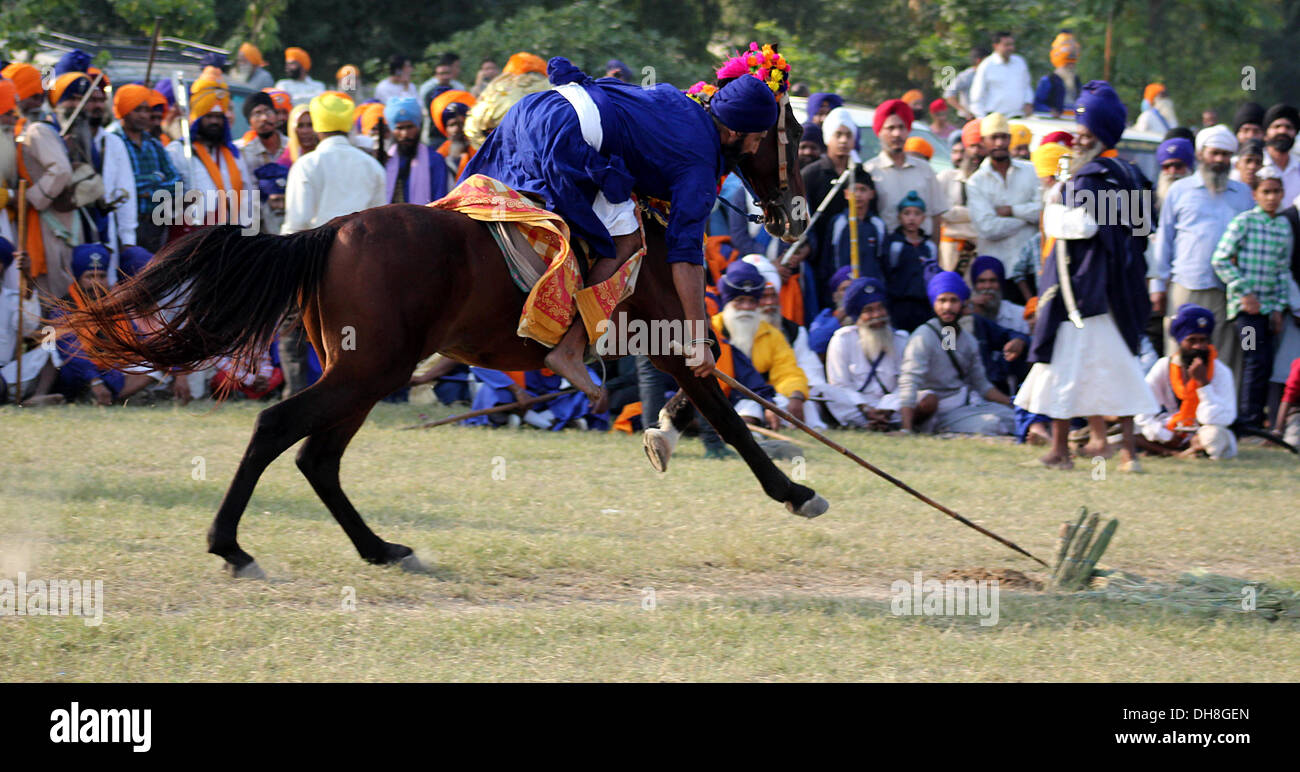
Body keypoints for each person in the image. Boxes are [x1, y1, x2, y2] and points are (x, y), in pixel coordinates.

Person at [462, 52, 789, 405]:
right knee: (629, 241)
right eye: (757, 138)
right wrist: (697, 340)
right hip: (567, 132)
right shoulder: (699, 166)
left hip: (531, 109)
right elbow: (686, 256)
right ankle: (570, 349)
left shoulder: (676, 98)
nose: (756, 148)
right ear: (735, 131)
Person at [1016, 81, 1158, 471]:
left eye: (1085, 130)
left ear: (1101, 133)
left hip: (1083, 294)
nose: (1078, 138)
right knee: (1116, 367)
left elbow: (1083, 228)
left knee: (1070, 367)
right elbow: (1144, 230)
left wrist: (1052, 213)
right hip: (1119, 292)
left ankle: (1065, 451)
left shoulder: (1090, 177)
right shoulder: (1131, 174)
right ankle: (1124, 451)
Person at [1151, 124, 1253, 375]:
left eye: (1226, 154)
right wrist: (1157, 287)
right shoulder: (1180, 190)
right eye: (1215, 153)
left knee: (1223, 360)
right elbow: (1164, 239)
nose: (1220, 160)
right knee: (1179, 356)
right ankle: (1179, 412)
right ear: (1200, 154)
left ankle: (1218, 414)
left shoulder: (1242, 194)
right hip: (1186, 286)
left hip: (1227, 291)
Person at [1211, 167, 1293, 429]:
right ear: (1255, 194)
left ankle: (1256, 419)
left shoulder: (1283, 226)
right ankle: (1247, 420)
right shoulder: (1244, 222)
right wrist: (1244, 291)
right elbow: (1220, 259)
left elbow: (1282, 269)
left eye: (1276, 191)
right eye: (1266, 191)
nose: (1272, 197)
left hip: (1269, 310)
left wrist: (1279, 307)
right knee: (1252, 360)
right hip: (1247, 311)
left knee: (1265, 363)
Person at [897, 271, 1016, 434]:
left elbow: (982, 385)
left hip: (962, 405)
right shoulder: (923, 335)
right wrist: (906, 429)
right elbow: (910, 380)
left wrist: (1012, 403)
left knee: (1012, 417)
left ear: (963, 303)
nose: (947, 307)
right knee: (992, 424)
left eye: (953, 300)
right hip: (932, 407)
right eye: (942, 301)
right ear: (933, 304)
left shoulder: (966, 339)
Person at [711, 261, 812, 429]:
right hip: (720, 396)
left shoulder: (771, 334)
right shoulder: (713, 330)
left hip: (759, 397)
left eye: (752, 301)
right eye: (740, 300)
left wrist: (796, 395)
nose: (746, 308)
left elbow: (787, 371)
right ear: (727, 302)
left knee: (795, 404)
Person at [1136, 304, 1238, 459]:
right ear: (1179, 342)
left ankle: (1181, 450)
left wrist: (1204, 384)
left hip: (1200, 433)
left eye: (1203, 340)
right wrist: (1165, 436)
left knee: (1215, 435)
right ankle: (1173, 452)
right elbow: (1142, 408)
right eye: (1192, 340)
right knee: (1131, 427)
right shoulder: (1164, 366)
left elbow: (1223, 419)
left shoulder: (1221, 371)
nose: (1198, 346)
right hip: (1169, 429)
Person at [281, 92, 385, 235]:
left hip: (317, 252)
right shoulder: (372, 166)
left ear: (317, 128)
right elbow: (379, 221)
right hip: (362, 251)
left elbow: (298, 221)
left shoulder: (306, 164)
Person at [165, 79, 255, 231]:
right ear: (198, 119)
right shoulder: (178, 151)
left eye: (219, 117)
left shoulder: (234, 154)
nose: (215, 121)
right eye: (209, 116)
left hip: (231, 233)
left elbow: (248, 195)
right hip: (193, 233)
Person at [824, 277, 911, 428]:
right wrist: (864, 407)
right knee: (825, 391)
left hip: (893, 407)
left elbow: (905, 383)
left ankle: (884, 421)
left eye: (880, 308)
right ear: (858, 316)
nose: (877, 315)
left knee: (925, 396)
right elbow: (840, 384)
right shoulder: (842, 339)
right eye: (869, 310)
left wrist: (888, 408)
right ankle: (866, 423)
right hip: (856, 408)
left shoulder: (901, 339)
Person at [108, 84, 181, 253]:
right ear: (124, 110)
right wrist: (156, 178)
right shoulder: (112, 140)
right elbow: (123, 185)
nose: (143, 115)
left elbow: (176, 182)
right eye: (137, 109)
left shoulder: (154, 143)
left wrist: (150, 191)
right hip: (124, 223)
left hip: (155, 224)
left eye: (146, 110)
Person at [965, 112, 1041, 267]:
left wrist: (1012, 210)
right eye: (993, 138)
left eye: (1003, 137)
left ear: (1010, 139)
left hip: (1029, 265)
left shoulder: (1031, 171)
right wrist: (1025, 220)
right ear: (983, 142)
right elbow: (988, 228)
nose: (999, 143)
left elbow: (1042, 212)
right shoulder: (976, 181)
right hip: (994, 268)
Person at [864, 99, 947, 238]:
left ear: (908, 131)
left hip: (921, 252)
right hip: (885, 252)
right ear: (879, 132)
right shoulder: (870, 171)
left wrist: (934, 254)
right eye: (890, 128)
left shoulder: (925, 169)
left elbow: (936, 216)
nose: (897, 133)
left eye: (901, 127)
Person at [463, 52, 550, 149]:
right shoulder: (548, 85)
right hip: (538, 145)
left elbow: (473, 126)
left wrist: (489, 150)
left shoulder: (495, 86)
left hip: (500, 146)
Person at [882, 190, 939, 331]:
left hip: (923, 305)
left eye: (917, 214)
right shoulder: (894, 244)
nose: (911, 218)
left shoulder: (929, 246)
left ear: (923, 218)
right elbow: (887, 271)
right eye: (906, 213)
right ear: (899, 217)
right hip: (898, 304)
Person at [236, 91, 290, 235]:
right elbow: (248, 194)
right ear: (249, 122)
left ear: (276, 115)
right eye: (257, 114)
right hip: (262, 229)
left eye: (268, 112)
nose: (264, 118)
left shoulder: (292, 147)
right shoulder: (244, 153)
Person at [382, 96, 447, 205]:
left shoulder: (434, 160)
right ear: (392, 130)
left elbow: (440, 199)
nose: (405, 134)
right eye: (399, 128)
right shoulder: (385, 160)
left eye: (409, 127)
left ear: (418, 127)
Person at [829, 163, 886, 279]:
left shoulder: (877, 224)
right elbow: (828, 258)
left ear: (872, 194)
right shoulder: (838, 223)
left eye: (863, 190)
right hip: (843, 286)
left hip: (870, 285)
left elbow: (883, 259)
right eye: (854, 190)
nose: (858, 195)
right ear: (846, 194)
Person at [969, 32, 1034, 119]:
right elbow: (976, 95)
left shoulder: (1019, 62)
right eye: (1006, 45)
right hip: (994, 118)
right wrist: (982, 118)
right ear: (996, 46)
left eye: (1012, 44)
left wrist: (1028, 103)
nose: (1011, 48)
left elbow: (1026, 86)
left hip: (1018, 116)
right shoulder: (987, 65)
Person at [968, 254, 1027, 333]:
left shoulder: (1020, 314)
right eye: (982, 281)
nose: (987, 286)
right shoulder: (965, 314)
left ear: (1001, 283)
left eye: (993, 281)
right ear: (974, 285)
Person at [430, 90, 477, 187]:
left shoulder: (483, 149)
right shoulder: (440, 155)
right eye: (452, 125)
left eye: (461, 123)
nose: (457, 129)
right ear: (445, 129)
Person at [1260, 103, 1300, 208]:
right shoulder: (1253, 165)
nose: (1283, 131)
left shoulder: (1298, 168)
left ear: (1295, 133)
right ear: (1266, 133)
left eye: (1288, 127)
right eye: (1276, 127)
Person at [1034, 31, 1081, 117]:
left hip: (1073, 120)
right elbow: (1037, 104)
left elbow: (1082, 104)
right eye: (1068, 64)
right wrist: (1050, 111)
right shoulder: (1048, 80)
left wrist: (1081, 112)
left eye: (1072, 64)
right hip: (1055, 122)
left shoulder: (1076, 80)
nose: (1071, 67)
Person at [944, 47, 988, 121]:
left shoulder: (990, 75)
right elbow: (949, 95)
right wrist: (964, 111)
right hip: (969, 119)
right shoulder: (966, 76)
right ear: (979, 61)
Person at [1154, 137, 1195, 210]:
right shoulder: (1150, 201)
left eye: (1178, 166)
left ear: (1189, 168)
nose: (1172, 171)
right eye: (1166, 166)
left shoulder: (1200, 199)